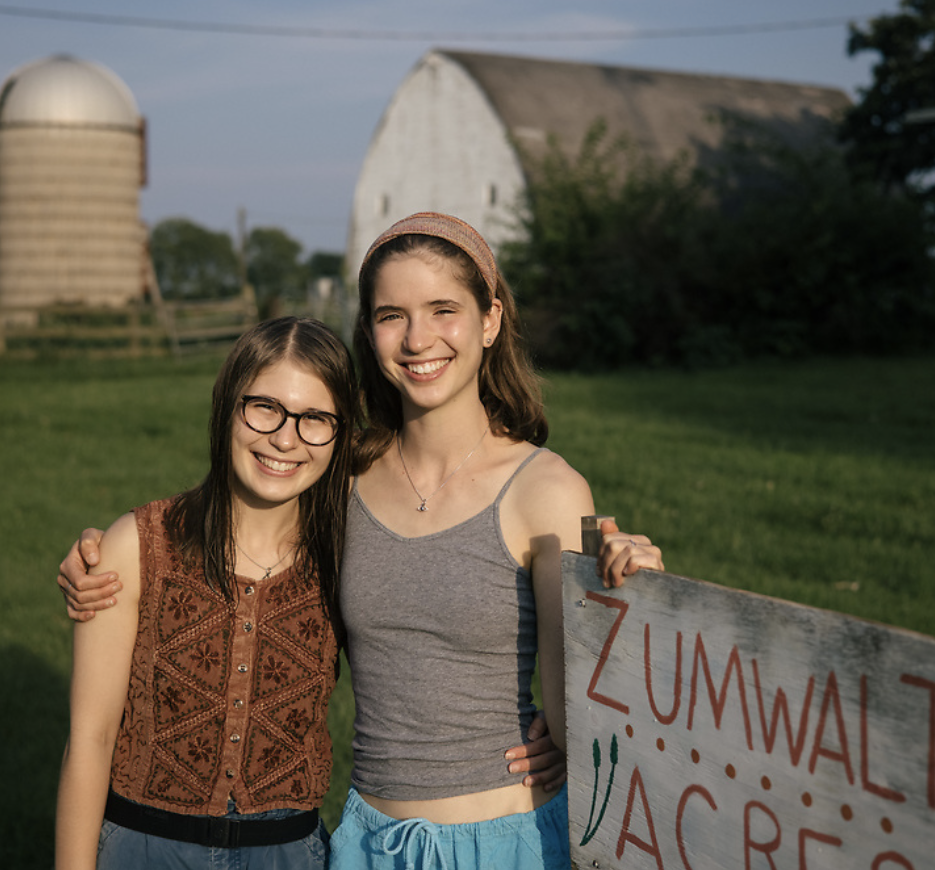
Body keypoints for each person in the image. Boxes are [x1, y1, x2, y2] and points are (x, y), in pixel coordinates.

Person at [62, 213, 664, 869]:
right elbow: (231, 534)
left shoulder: (546, 490)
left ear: (490, 320)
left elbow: (585, 707)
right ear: (368, 332)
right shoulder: (341, 481)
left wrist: (628, 592)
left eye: (443, 310)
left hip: (501, 839)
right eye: (391, 315)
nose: (417, 338)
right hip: (366, 844)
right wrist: (107, 552)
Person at [55, 317, 358, 870]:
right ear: (227, 408)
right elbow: (90, 741)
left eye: (315, 419)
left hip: (287, 854)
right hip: (143, 848)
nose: (285, 438)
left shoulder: (348, 558)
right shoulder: (137, 547)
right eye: (264, 407)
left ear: (340, 434)